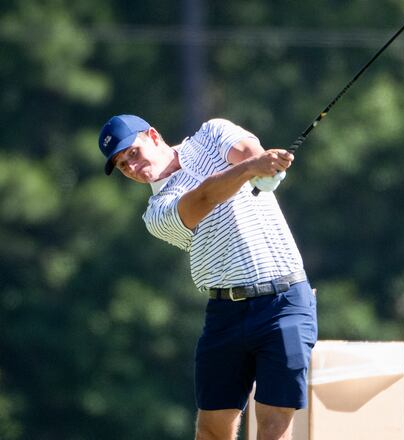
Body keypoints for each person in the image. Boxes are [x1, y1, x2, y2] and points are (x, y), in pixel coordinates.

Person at [98, 114, 317, 440]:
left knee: (273, 427)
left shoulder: (212, 134)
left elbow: (248, 152)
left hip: (284, 302)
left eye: (132, 152)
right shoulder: (157, 212)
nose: (131, 166)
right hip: (225, 315)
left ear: (154, 136)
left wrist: (264, 167)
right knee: (212, 431)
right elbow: (204, 198)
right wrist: (250, 170)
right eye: (121, 165)